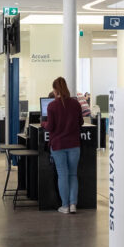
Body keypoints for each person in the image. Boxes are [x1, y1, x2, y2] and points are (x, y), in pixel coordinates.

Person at [42, 76, 83, 214]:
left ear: (55, 90)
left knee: (62, 175)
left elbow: (50, 127)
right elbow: (81, 123)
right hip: (74, 145)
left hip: (58, 145)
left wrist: (43, 123)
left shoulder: (52, 106)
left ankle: (64, 206)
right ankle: (73, 205)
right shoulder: (76, 104)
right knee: (73, 175)